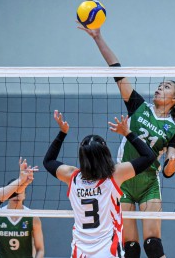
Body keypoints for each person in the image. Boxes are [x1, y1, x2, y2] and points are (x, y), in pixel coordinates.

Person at [78, 26, 175, 258]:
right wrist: (98, 38)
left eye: (166, 87)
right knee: (130, 248)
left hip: (150, 182)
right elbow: (117, 72)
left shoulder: (173, 130)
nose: (160, 88)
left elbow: (169, 172)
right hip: (123, 180)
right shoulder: (138, 106)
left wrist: (174, 161)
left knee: (152, 244)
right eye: (160, 85)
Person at [43, 110, 156, 257]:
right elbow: (149, 156)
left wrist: (62, 133)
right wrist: (127, 132)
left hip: (80, 251)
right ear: (105, 154)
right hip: (108, 250)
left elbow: (48, 161)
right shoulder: (115, 175)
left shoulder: (72, 176)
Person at [0, 179, 44, 258]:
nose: (16, 194)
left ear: (25, 195)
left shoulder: (33, 217)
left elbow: (40, 249)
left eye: (20, 191)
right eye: (13, 191)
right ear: (7, 194)